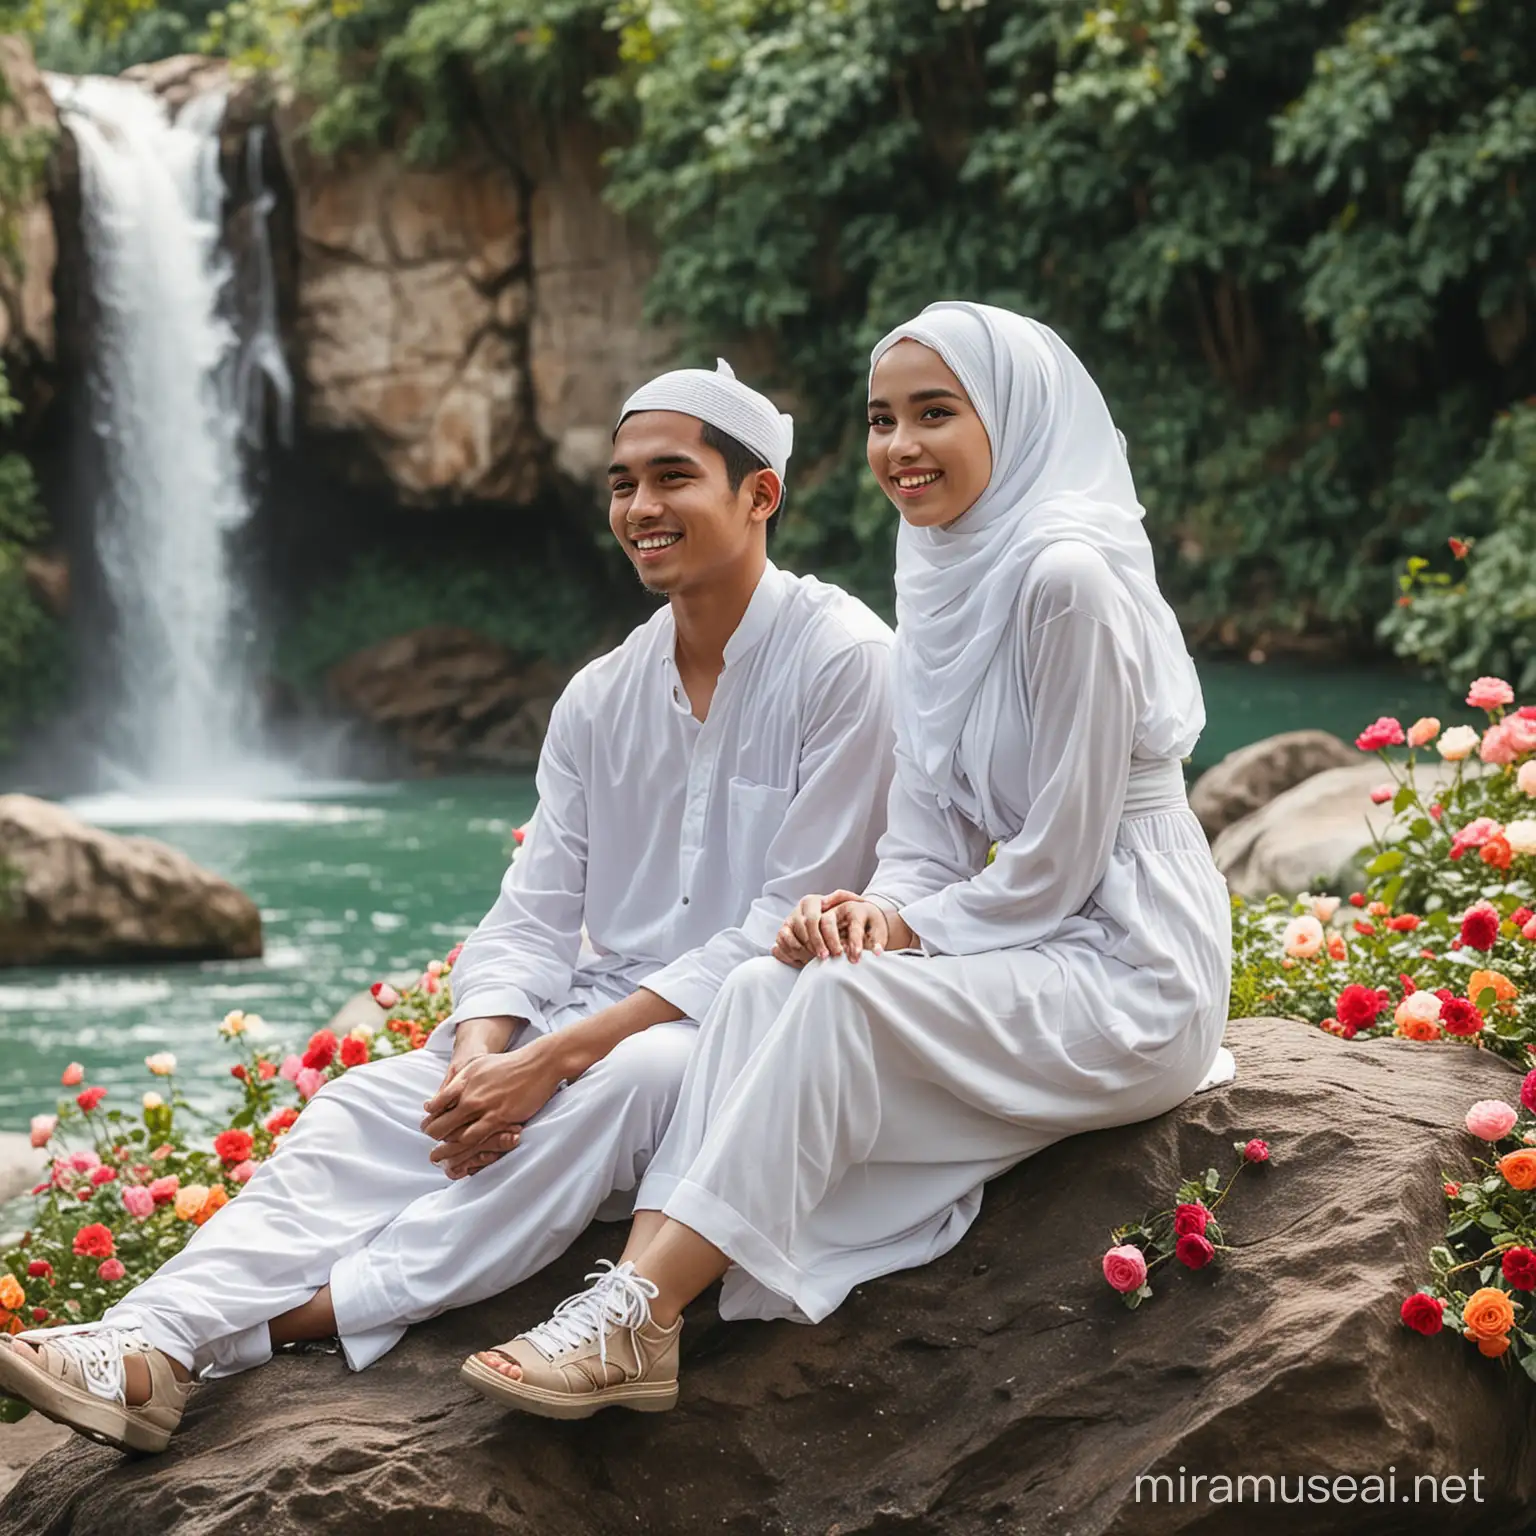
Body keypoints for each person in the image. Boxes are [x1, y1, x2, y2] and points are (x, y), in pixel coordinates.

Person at [0, 361, 896, 1454]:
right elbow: (530, 914)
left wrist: (552, 1062)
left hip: (742, 1032)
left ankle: (246, 1334)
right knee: (363, 1111)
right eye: (621, 484)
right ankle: (147, 1340)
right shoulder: (601, 697)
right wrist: (483, 1057)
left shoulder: (846, 662)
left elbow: (782, 924)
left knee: (634, 1081)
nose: (640, 509)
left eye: (674, 478)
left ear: (760, 496)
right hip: (583, 1017)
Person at [460, 301, 1236, 1420]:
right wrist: (860, 911)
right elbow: (924, 839)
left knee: (836, 1009)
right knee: (769, 981)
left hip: (1128, 957)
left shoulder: (1068, 579)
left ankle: (637, 1310)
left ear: (1010, 419)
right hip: (1027, 937)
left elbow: (1063, 855)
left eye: (935, 413)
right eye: (881, 420)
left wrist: (905, 931)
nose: (900, 447)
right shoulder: (935, 576)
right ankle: (636, 1306)